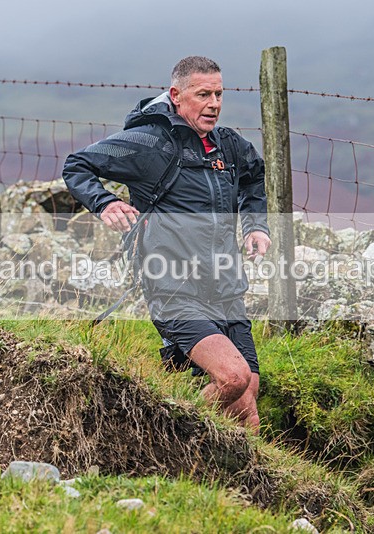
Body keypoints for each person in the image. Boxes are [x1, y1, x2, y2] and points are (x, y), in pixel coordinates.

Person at [62, 56, 271, 432]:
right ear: (176, 95)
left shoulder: (229, 146)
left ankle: (226, 483)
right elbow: (77, 165)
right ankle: (166, 429)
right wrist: (106, 202)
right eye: (203, 94)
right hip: (174, 287)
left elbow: (255, 177)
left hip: (225, 287)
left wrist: (256, 226)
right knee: (234, 378)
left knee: (248, 399)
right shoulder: (149, 144)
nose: (214, 104)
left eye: (219, 94)